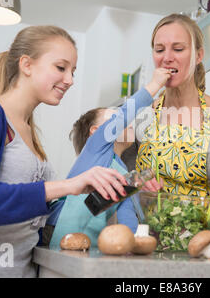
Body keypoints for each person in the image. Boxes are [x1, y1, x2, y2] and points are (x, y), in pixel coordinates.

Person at [0, 26, 127, 278]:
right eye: (61, 67)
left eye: (73, 71)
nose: (70, 79)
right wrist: (67, 185)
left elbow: (29, 209)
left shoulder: (28, 129)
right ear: (26, 64)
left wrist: (90, 193)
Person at [130, 13, 210, 202]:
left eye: (178, 49)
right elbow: (124, 181)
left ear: (198, 55)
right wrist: (138, 183)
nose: (167, 58)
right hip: (147, 230)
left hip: (206, 231)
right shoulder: (141, 116)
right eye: (159, 50)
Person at [45, 69, 168, 248]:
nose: (125, 121)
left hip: (89, 246)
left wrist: (133, 246)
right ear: (96, 132)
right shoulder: (96, 150)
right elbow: (126, 113)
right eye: (114, 115)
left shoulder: (125, 173)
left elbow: (129, 219)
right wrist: (154, 85)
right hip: (61, 233)